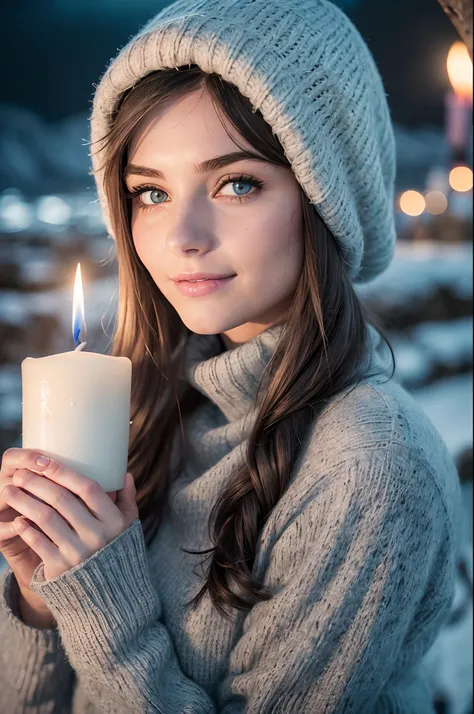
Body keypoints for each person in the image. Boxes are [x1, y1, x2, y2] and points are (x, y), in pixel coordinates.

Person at [0, 0, 463, 711]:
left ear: (324, 199)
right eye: (149, 192)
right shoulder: (154, 404)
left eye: (236, 183)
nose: (181, 234)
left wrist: (103, 604)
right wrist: (41, 594)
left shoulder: (370, 467)